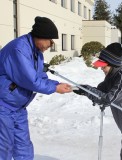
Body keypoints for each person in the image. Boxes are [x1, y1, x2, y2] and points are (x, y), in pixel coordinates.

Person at [0, 16, 72, 160]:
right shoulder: (18, 49)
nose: (51, 44)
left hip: (18, 107)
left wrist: (56, 84)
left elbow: (40, 77)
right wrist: (55, 88)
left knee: (24, 147)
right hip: (3, 107)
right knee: (4, 148)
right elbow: (31, 81)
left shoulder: (36, 52)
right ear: (40, 36)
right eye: (50, 40)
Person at [73, 43, 122, 160]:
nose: (102, 69)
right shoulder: (111, 76)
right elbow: (99, 91)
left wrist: (88, 91)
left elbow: (108, 100)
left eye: (104, 66)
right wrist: (82, 89)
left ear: (113, 64)